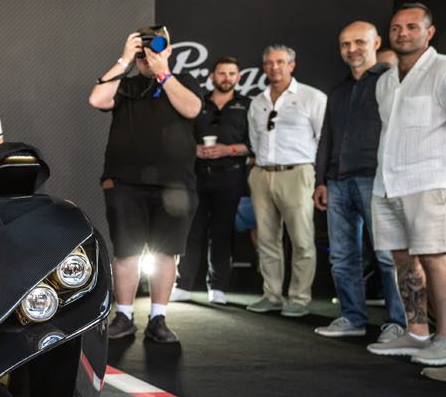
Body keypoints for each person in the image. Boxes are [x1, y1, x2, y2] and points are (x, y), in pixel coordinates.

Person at [88, 27, 202, 344]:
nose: (147, 55)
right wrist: (124, 58)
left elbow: (191, 109)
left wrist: (163, 72)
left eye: (155, 46)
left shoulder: (184, 83)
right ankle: (123, 315)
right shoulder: (125, 85)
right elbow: (97, 97)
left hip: (175, 185)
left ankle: (158, 319)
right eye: (143, 50)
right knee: (126, 252)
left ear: (169, 49)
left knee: (167, 253)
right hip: (125, 183)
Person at [311, 22, 405, 341]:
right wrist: (321, 180)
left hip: (376, 178)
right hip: (337, 182)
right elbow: (327, 137)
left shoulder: (392, 82)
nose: (352, 49)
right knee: (342, 255)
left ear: (376, 42)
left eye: (359, 42)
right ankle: (352, 317)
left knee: (387, 255)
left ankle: (398, 323)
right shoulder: (337, 92)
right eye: (345, 44)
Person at [366, 3, 446, 367]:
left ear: (429, 33)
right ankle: (417, 334)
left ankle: (444, 338)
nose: (402, 33)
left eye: (412, 27)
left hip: (428, 181)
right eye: (396, 27)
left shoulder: (442, 70)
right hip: (387, 182)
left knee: (434, 259)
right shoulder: (384, 80)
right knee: (401, 258)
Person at [245, 45, 327, 318]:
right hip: (262, 173)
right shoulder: (258, 102)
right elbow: (255, 140)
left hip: (298, 172)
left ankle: (299, 298)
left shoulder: (312, 97)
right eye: (268, 62)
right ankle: (272, 295)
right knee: (267, 240)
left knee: (302, 240)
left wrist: (317, 175)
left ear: (292, 65)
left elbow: (323, 140)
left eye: (280, 62)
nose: (274, 67)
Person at [171, 56, 250, 305]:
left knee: (222, 233)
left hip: (231, 177)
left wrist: (229, 150)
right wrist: (194, 149)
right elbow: (181, 136)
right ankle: (182, 285)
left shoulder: (248, 105)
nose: (226, 78)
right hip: (196, 176)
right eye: (222, 73)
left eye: (231, 73)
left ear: (238, 77)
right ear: (212, 76)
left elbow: (256, 144)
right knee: (191, 231)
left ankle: (218, 287)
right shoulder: (197, 102)